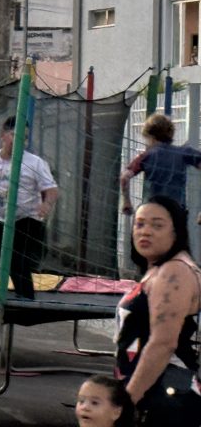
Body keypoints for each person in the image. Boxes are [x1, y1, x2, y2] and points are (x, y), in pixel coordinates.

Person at [116, 196, 201, 425]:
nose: (146, 231)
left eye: (157, 225)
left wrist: (127, 401)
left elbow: (163, 343)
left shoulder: (175, 271)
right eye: (140, 224)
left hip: (165, 397)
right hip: (152, 392)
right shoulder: (159, 269)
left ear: (176, 232)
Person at [0, 116, 58, 300]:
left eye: (24, 138)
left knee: (19, 262)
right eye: (15, 136)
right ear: (3, 136)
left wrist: (46, 204)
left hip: (25, 219)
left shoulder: (35, 163)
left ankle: (25, 299)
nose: (20, 142)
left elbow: (51, 189)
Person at [121, 112, 201, 216]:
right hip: (176, 212)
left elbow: (124, 177)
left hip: (152, 211)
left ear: (151, 137)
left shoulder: (146, 156)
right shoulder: (183, 152)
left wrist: (126, 202)